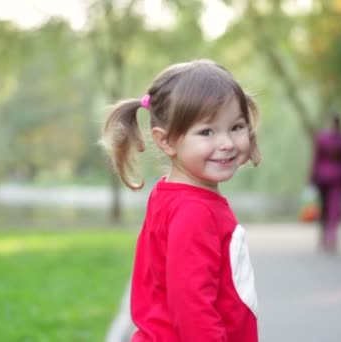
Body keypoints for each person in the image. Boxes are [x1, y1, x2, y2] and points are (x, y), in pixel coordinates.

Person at [101, 60, 260, 341]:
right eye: (207, 132)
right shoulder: (195, 212)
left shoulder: (172, 194)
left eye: (236, 126)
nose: (227, 143)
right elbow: (192, 308)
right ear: (166, 141)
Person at [309, 115, 341, 254]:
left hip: (323, 176)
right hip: (338, 177)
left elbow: (316, 158)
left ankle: (324, 238)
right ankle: (331, 237)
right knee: (334, 208)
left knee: (325, 208)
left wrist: (312, 176)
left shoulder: (322, 139)